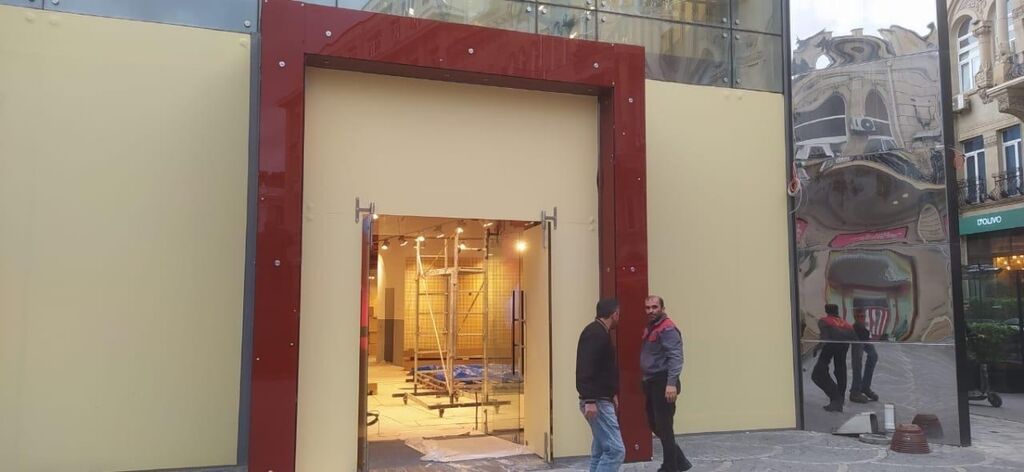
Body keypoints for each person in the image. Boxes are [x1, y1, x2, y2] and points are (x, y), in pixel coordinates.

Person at [641, 296, 691, 472]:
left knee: (664, 426)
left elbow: (676, 357)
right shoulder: (651, 327)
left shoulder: (667, 328)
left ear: (662, 308)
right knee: (656, 424)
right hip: (652, 381)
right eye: (648, 308)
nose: (651, 311)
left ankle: (670, 467)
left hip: (663, 382)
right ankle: (681, 462)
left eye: (655, 307)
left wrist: (671, 384)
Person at [576, 298, 625, 472]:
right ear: (614, 314)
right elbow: (586, 366)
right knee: (616, 451)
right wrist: (589, 399)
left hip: (601, 399)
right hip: (597, 401)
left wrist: (612, 393)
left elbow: (602, 368)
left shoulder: (599, 332)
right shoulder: (595, 334)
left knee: (601, 450)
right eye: (619, 314)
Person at [811, 304, 856, 412]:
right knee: (840, 370)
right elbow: (854, 338)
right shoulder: (847, 324)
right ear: (837, 311)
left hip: (830, 346)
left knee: (817, 374)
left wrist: (816, 348)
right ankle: (839, 399)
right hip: (843, 347)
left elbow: (825, 339)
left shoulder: (824, 321)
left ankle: (836, 398)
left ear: (826, 311)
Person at [849, 309, 879, 403]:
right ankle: (855, 391)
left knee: (873, 356)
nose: (859, 319)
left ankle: (865, 387)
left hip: (864, 338)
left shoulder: (865, 328)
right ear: (854, 317)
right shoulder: (853, 328)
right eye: (857, 317)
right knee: (857, 363)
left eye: (862, 316)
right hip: (857, 339)